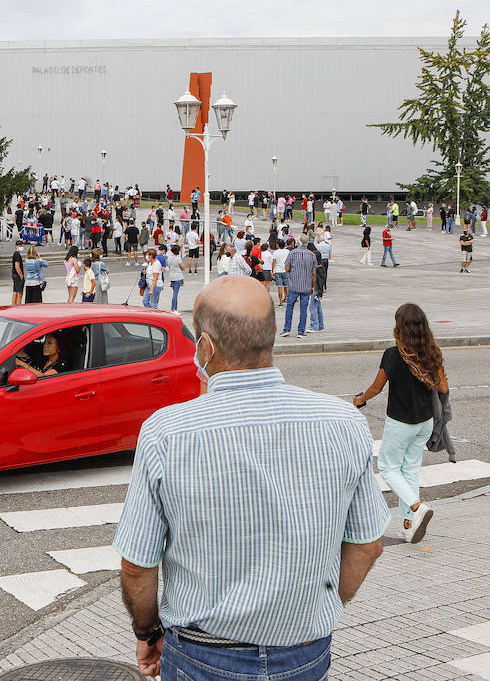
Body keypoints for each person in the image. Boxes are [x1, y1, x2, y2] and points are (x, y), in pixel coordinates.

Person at [115, 275, 388, 680]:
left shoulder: (167, 433)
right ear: (272, 335)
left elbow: (137, 566)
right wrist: (313, 613)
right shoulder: (343, 421)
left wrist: (147, 631)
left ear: (205, 347)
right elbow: (367, 546)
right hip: (304, 654)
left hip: (201, 653)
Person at [354, 302, 445, 544]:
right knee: (410, 470)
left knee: (388, 468)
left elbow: (376, 387)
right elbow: (443, 386)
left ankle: (417, 507)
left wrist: (360, 399)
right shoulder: (432, 352)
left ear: (399, 328)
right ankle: (408, 524)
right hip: (424, 421)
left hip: (401, 422)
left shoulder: (393, 355)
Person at [281, 237, 317, 338]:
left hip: (294, 285)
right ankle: (301, 331)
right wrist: (313, 286)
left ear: (298, 242)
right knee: (303, 309)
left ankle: (287, 329)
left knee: (290, 307)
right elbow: (314, 272)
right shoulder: (312, 254)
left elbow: (287, 268)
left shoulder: (292, 253)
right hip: (306, 285)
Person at [166, 244, 184, 312]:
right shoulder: (178, 258)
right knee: (175, 294)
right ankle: (173, 309)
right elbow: (183, 267)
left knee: (174, 292)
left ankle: (175, 308)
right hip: (178, 276)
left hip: (172, 276)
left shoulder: (169, 258)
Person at [9, 240, 25, 305]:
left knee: (15, 291)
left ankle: (13, 305)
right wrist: (21, 276)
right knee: (19, 292)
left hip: (14, 275)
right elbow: (17, 266)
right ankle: (18, 304)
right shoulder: (17, 255)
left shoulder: (15, 254)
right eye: (22, 246)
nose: (22, 248)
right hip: (18, 275)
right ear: (18, 246)